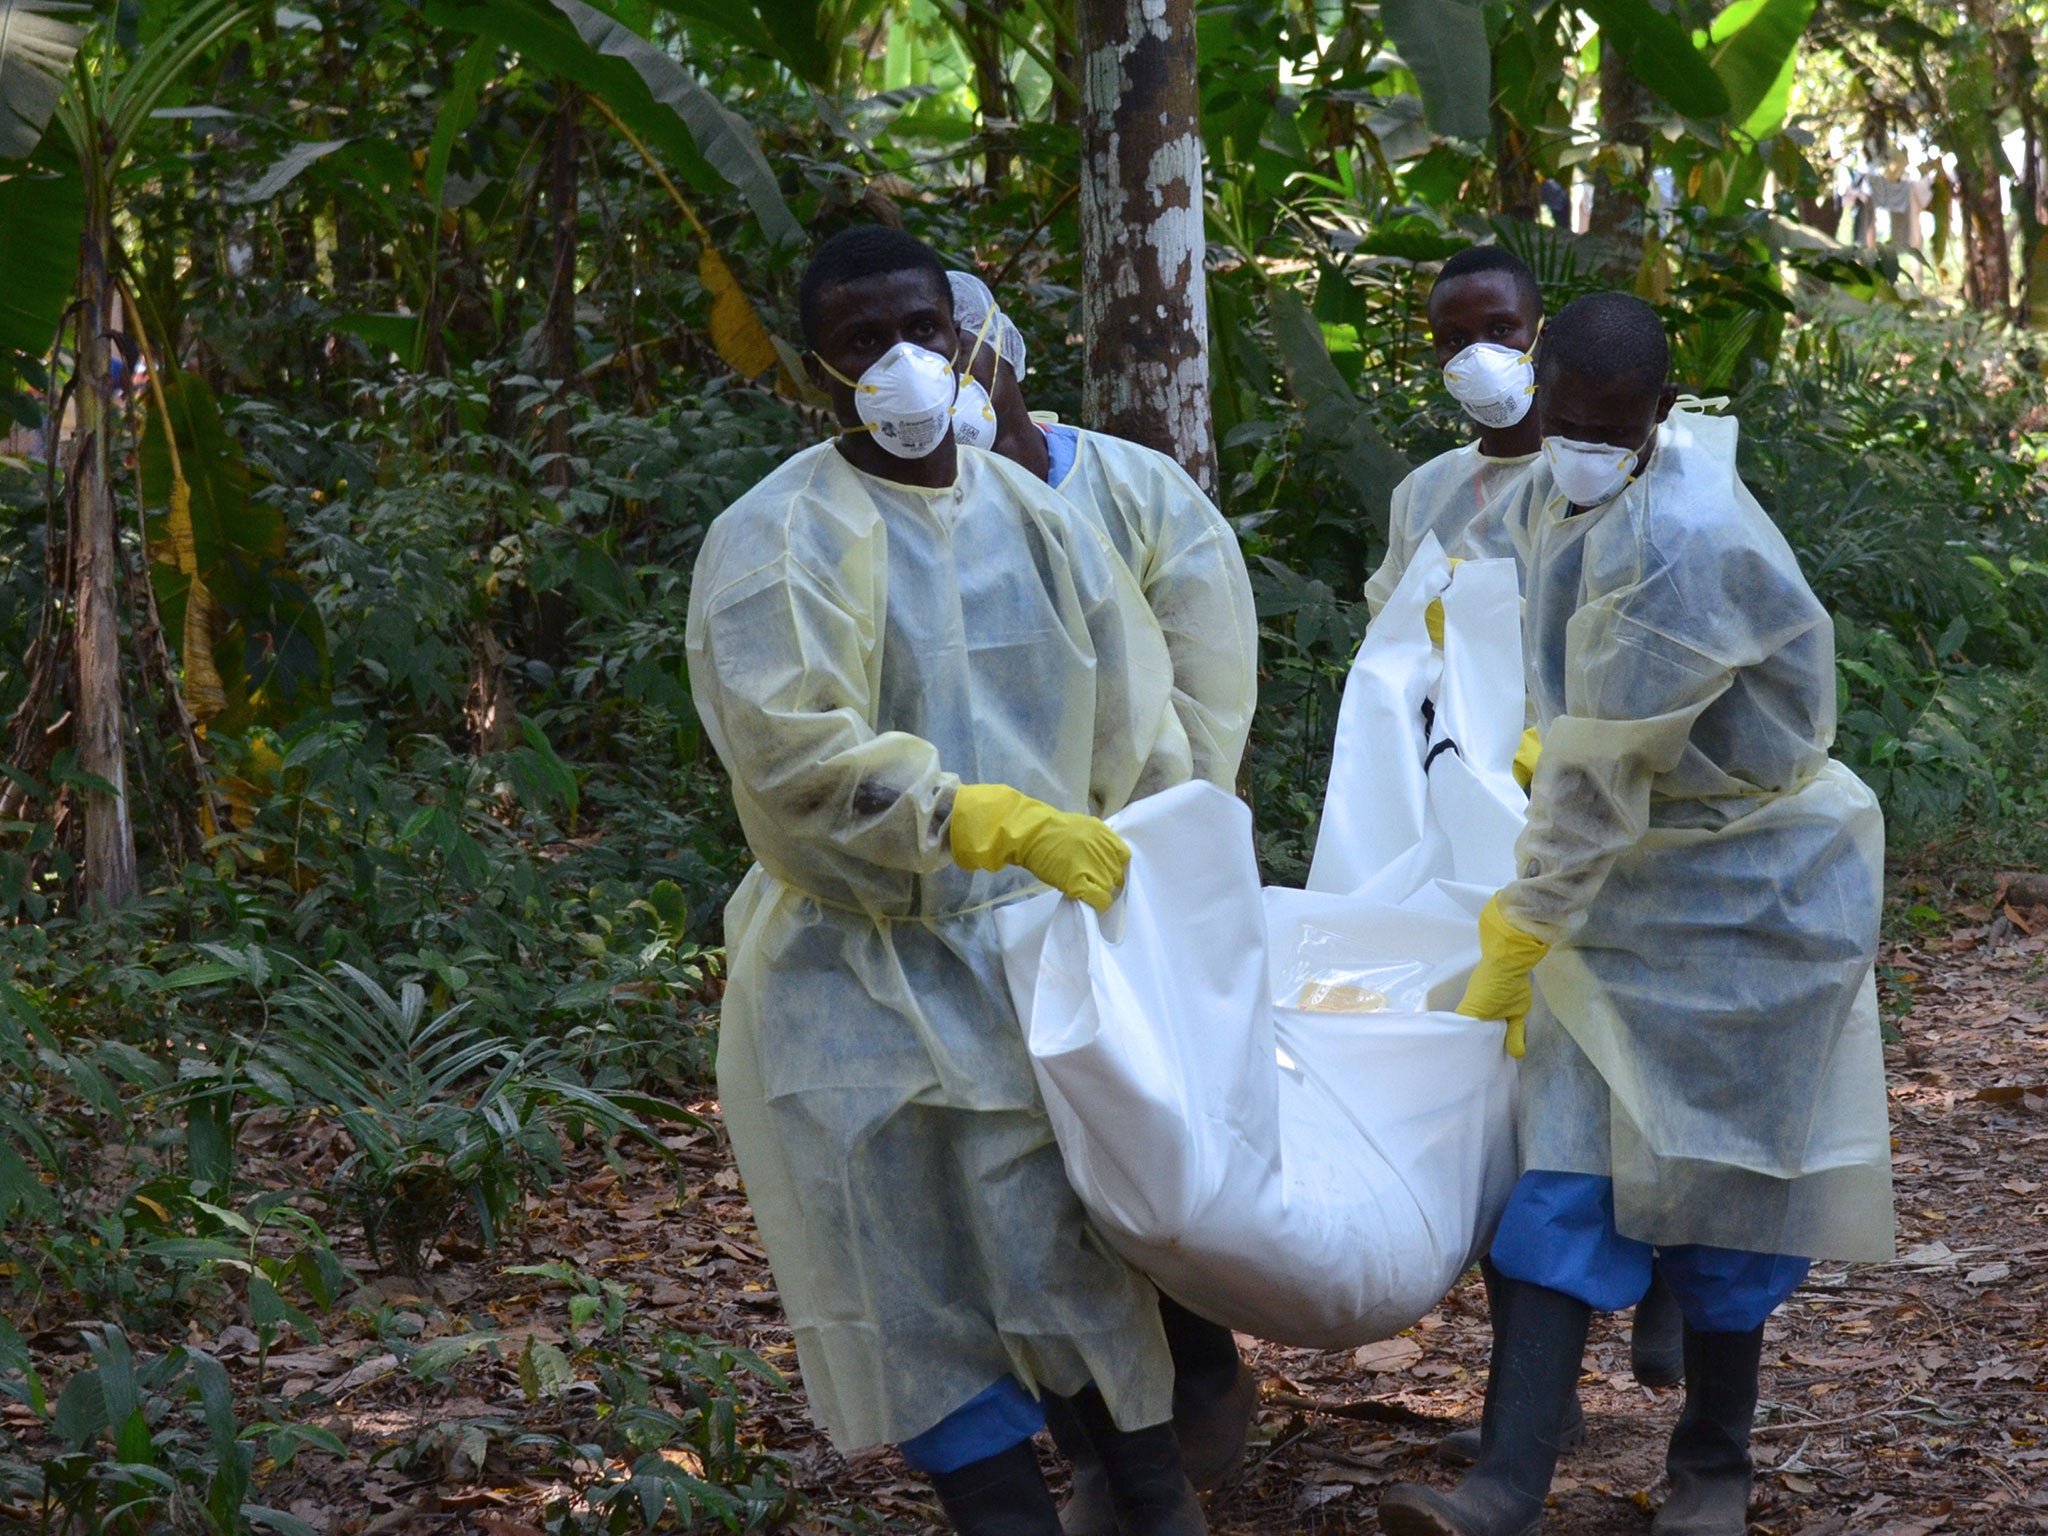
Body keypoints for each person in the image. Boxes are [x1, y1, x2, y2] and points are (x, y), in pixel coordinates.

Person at [686, 225, 1208, 1536]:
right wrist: (975, 818)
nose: (903, 361)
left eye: (922, 328)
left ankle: (1152, 1500)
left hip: (1037, 967)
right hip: (850, 979)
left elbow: (1137, 718)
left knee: (1080, 1271)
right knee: (912, 1292)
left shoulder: (1037, 515)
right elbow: (796, 755)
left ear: (967, 332)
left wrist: (1153, 871)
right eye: (864, 340)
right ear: (817, 367)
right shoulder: (775, 540)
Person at [1376, 293, 1893, 1536]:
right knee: (1560, 1173)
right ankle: (1503, 1486)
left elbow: (1600, 778)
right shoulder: (1565, 492)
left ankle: (1711, 1466)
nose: (1581, 442)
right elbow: (1583, 723)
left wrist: (1520, 928)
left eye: (1609, 427)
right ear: (1541, 394)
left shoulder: (1679, 536)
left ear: (1660, 415)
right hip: (1636, 873)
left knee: (1726, 1192)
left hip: (1751, 887)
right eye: (1564, 419)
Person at [948, 269, 1262, 1525]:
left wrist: (1157, 837)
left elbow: (1207, 677)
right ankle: (1093, 1437)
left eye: (953, 351)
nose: (935, 383)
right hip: (976, 884)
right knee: (1020, 1171)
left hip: (1125, 868)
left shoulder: (1131, 492)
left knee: (1137, 1120)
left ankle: (1197, 1371)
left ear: (1002, 353)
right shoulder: (890, 515)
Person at [1368, 245, 1687, 1462]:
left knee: (1627, 1065)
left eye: (1491, 328)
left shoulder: (1653, 492)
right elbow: (1391, 651)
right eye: (1448, 339)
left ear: (1538, 331)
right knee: (1518, 1109)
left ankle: (1668, 1275)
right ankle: (1535, 1408)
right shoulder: (1430, 494)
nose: (1471, 360)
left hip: (1608, 820)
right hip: (1479, 820)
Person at [949, 270, 1259, 790]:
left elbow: (1210, 688)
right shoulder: (886, 512)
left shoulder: (1139, 487)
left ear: (998, 343)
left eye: (944, 345)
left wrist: (1166, 814)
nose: (922, 377)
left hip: (1140, 830)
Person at [1362, 245, 1544, 619]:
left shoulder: (1591, 479)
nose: (1479, 354)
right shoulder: (1421, 496)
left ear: (1544, 333)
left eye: (1500, 329)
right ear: (1438, 355)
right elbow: (1391, 633)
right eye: (1456, 340)